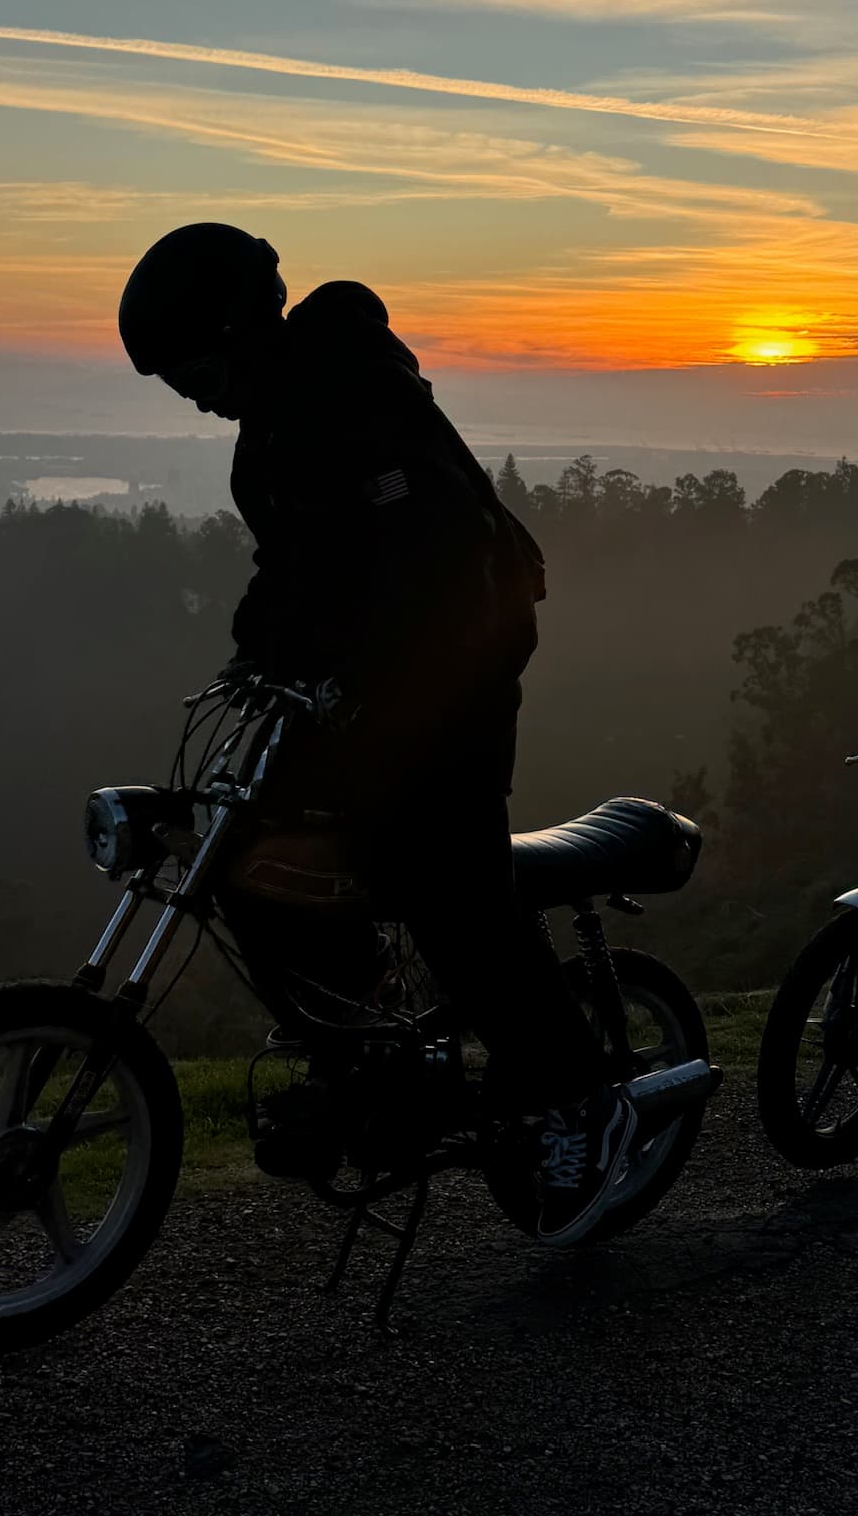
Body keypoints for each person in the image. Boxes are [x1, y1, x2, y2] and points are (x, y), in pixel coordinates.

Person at [118, 222, 633, 1244]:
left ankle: (581, 1099)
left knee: (453, 889)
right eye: (181, 386)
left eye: (196, 373)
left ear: (239, 332)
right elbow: (296, 568)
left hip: (463, 673)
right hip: (351, 689)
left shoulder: (354, 391)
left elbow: (437, 560)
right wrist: (253, 660)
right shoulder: (267, 428)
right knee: (255, 855)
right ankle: (364, 1047)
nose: (196, 397)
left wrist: (377, 681)